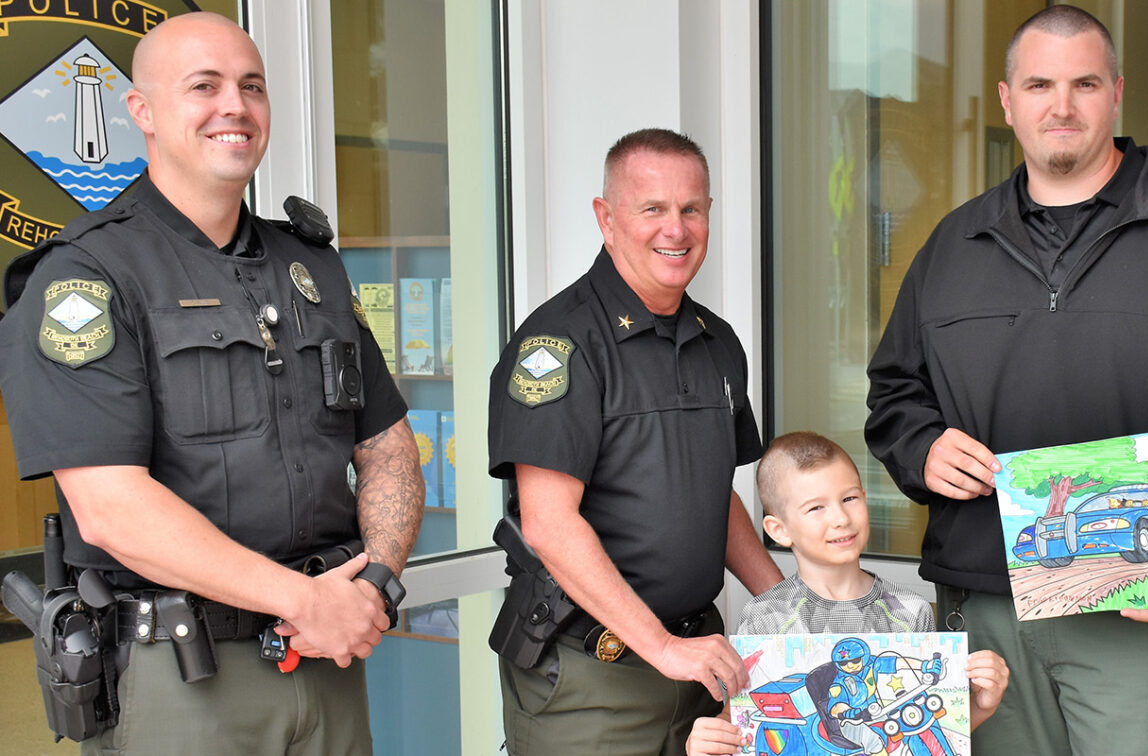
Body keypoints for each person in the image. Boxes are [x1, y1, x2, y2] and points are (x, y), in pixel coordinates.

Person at [0, 12, 423, 755]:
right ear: (143, 112)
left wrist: (374, 584)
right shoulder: (88, 276)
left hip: (328, 663)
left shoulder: (313, 269)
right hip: (182, 676)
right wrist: (303, 600)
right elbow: (110, 511)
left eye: (251, 86)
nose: (235, 106)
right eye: (205, 86)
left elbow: (388, 446)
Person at [865, 5, 1148, 754]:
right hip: (984, 605)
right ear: (1008, 100)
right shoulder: (953, 242)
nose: (1060, 106)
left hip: (1142, 595)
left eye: (1083, 84)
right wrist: (924, 448)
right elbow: (894, 393)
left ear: (1115, 93)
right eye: (1039, 84)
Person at [487, 127, 784, 755]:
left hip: (700, 664)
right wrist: (663, 648)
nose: (675, 229)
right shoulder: (559, 346)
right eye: (652, 208)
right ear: (606, 218)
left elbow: (713, 495)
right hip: (590, 677)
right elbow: (548, 524)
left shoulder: (718, 342)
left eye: (691, 209)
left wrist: (786, 605)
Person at [686, 432, 1008, 756]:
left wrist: (981, 706)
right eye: (816, 508)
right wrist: (705, 743)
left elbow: (927, 729)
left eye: (849, 499)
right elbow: (744, 722)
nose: (841, 518)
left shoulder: (912, 612)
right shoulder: (764, 619)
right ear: (779, 530)